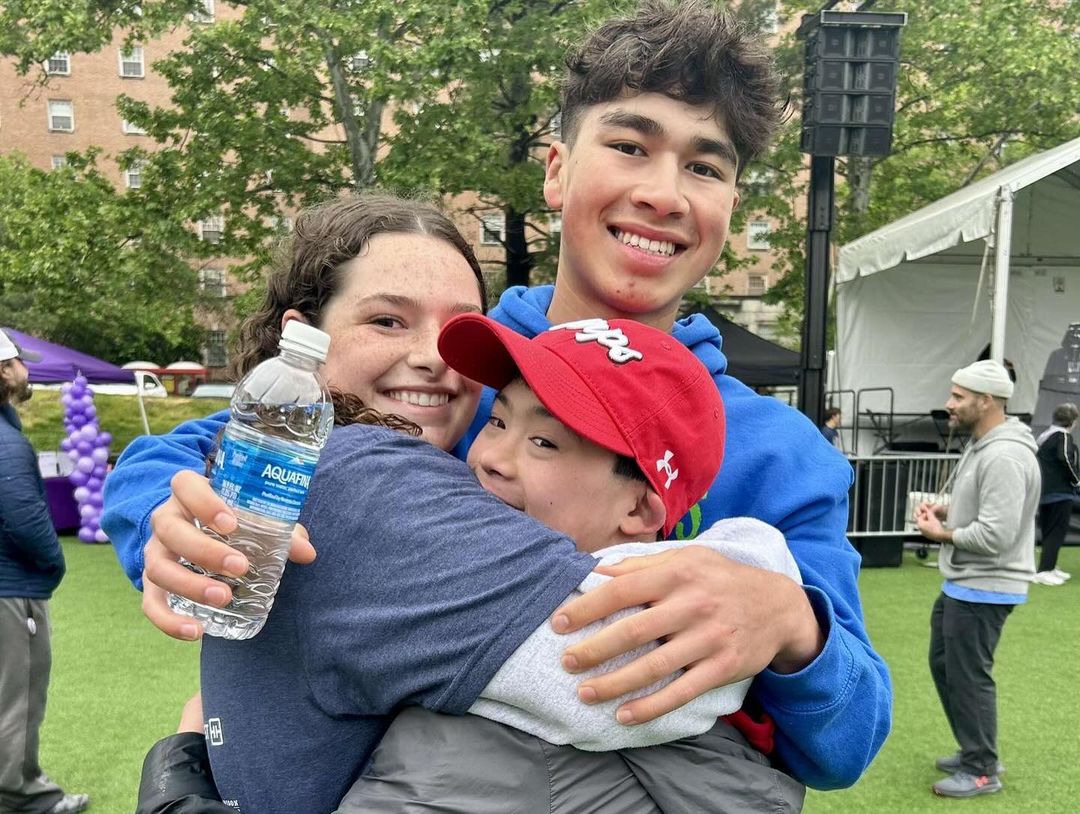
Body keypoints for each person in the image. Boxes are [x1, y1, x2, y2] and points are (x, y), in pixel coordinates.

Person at [105, 0, 891, 795]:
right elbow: (199, 448)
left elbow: (846, 743)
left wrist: (793, 626)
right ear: (556, 169)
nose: (664, 193)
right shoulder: (456, 370)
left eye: (706, 167)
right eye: (628, 145)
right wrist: (168, 524)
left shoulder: (779, 451)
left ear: (731, 205)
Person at [139, 315, 806, 813]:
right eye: (499, 420)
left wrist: (771, 586)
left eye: (543, 441)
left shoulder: (633, 613)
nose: (491, 456)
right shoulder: (444, 532)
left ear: (638, 510)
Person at [915, 359, 1039, 798]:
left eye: (959, 397)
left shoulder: (1004, 454)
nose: (950, 404)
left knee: (969, 675)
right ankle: (976, 748)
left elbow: (997, 534)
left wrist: (939, 532)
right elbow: (987, 513)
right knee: (946, 665)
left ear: (986, 401)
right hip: (966, 580)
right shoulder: (985, 444)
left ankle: (982, 768)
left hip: (986, 584)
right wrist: (950, 511)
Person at [0, 330, 90, 814]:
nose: (25, 370)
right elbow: (23, 517)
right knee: (19, 697)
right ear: (4, 372)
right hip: (11, 593)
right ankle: (24, 796)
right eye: (17, 362)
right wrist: (53, 564)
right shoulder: (6, 443)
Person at [1032, 402, 1079, 585]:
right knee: (1056, 531)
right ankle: (1044, 571)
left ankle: (1048, 566)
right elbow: (1065, 458)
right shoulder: (1063, 437)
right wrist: (1076, 480)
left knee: (1050, 530)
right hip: (1059, 492)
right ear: (1073, 421)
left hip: (1045, 491)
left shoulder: (1045, 436)